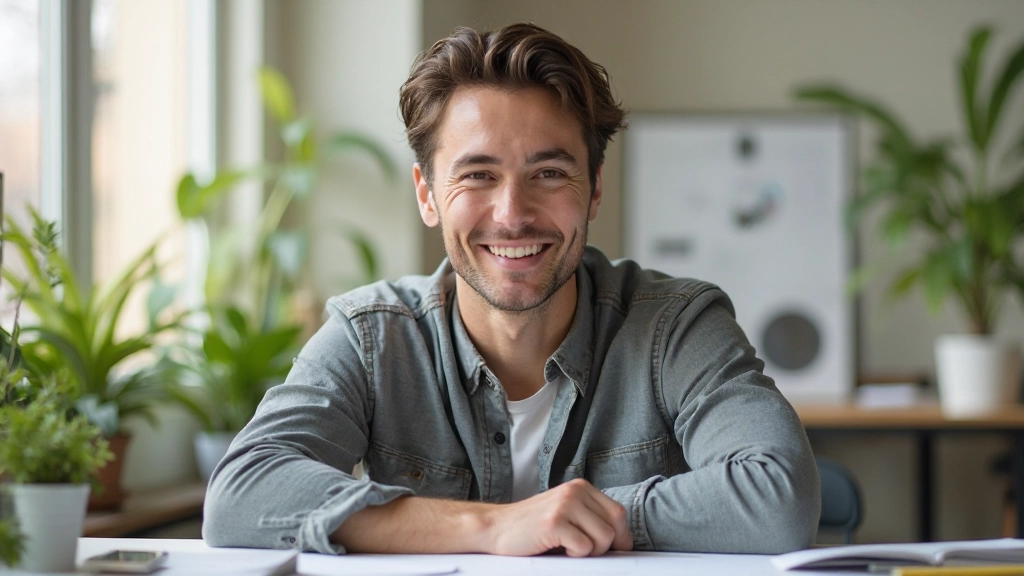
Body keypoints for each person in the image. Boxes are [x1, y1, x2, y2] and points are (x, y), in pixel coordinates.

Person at [203, 22, 820, 557]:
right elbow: (241, 497)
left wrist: (579, 519)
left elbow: (780, 496)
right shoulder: (374, 336)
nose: (512, 213)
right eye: (478, 175)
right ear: (426, 193)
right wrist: (492, 527)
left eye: (549, 174)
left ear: (595, 187)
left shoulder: (676, 325)